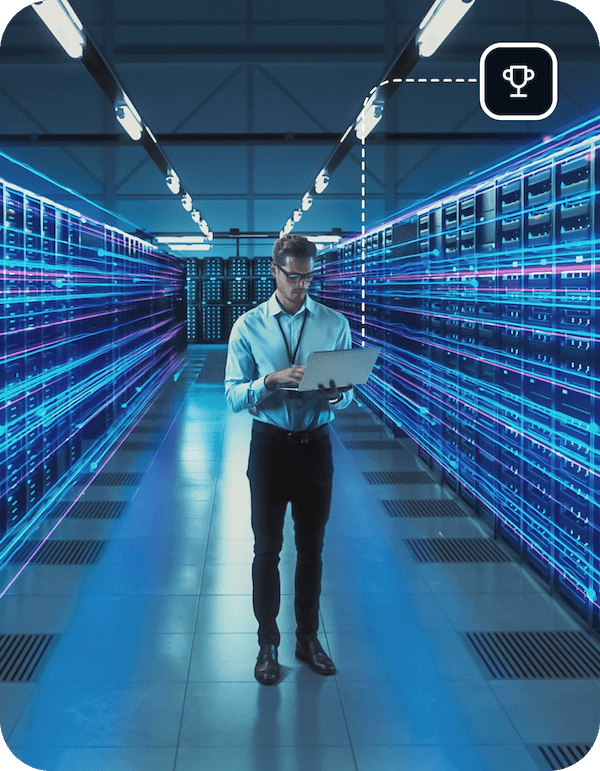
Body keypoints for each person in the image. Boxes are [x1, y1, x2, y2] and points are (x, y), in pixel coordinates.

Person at [224, 233, 354, 685]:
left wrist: (338, 395)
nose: (301, 285)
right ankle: (267, 643)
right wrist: (269, 381)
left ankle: (308, 639)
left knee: (312, 551)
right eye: (293, 277)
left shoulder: (334, 323)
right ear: (275, 272)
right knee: (267, 550)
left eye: (308, 276)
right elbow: (232, 396)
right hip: (271, 447)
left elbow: (349, 394)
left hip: (316, 446)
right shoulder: (248, 326)